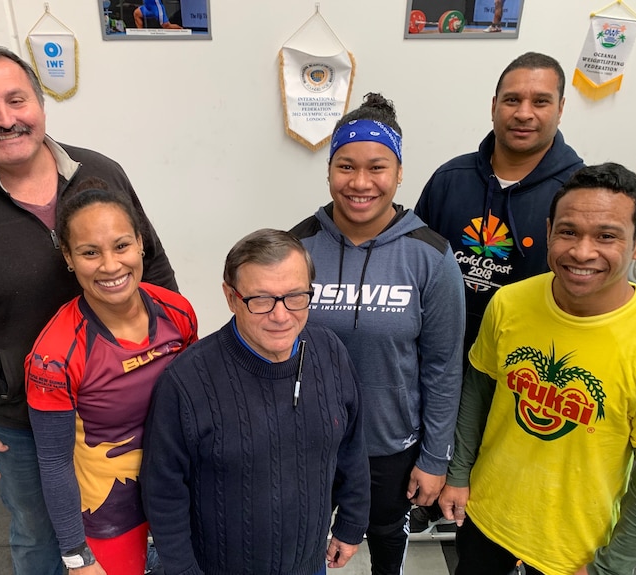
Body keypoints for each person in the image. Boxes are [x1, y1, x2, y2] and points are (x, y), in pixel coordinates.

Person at [0, 45, 178, 575]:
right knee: (43, 540)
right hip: (23, 422)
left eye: (17, 99)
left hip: (128, 403)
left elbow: (153, 270)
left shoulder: (100, 172)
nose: (5, 119)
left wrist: (173, 371)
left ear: (40, 104)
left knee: (137, 514)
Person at [438, 163, 636, 575]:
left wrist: (608, 568)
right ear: (549, 231)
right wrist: (458, 474)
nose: (582, 251)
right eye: (568, 232)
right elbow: (478, 392)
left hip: (575, 553)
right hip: (486, 515)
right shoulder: (509, 303)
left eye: (606, 236)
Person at [290, 93, 465, 575]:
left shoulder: (430, 256)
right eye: (346, 166)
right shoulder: (297, 245)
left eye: (377, 167)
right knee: (302, 535)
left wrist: (434, 456)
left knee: (386, 534)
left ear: (400, 172)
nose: (360, 182)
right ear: (329, 171)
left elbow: (444, 367)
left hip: (390, 443)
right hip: (308, 437)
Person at [413, 51, 584, 532]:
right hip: (446, 361)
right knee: (445, 479)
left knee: (506, 500)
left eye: (540, 100)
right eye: (512, 99)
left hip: (529, 372)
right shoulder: (451, 181)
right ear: (493, 106)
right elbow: (417, 266)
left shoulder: (576, 190)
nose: (524, 112)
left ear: (560, 108)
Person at [141, 229, 370, 575]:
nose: (280, 316)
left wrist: (351, 524)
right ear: (231, 298)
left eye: (295, 296)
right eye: (260, 299)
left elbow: (352, 446)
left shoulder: (331, 352)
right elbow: (163, 492)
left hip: (310, 565)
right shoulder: (186, 381)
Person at [25, 186, 197, 575]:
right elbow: (53, 461)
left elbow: (197, 404)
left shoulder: (178, 312)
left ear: (140, 244)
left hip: (178, 487)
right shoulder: (54, 356)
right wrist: (76, 555)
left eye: (121, 246)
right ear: (68, 258)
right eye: (90, 252)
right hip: (109, 505)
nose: (110, 265)